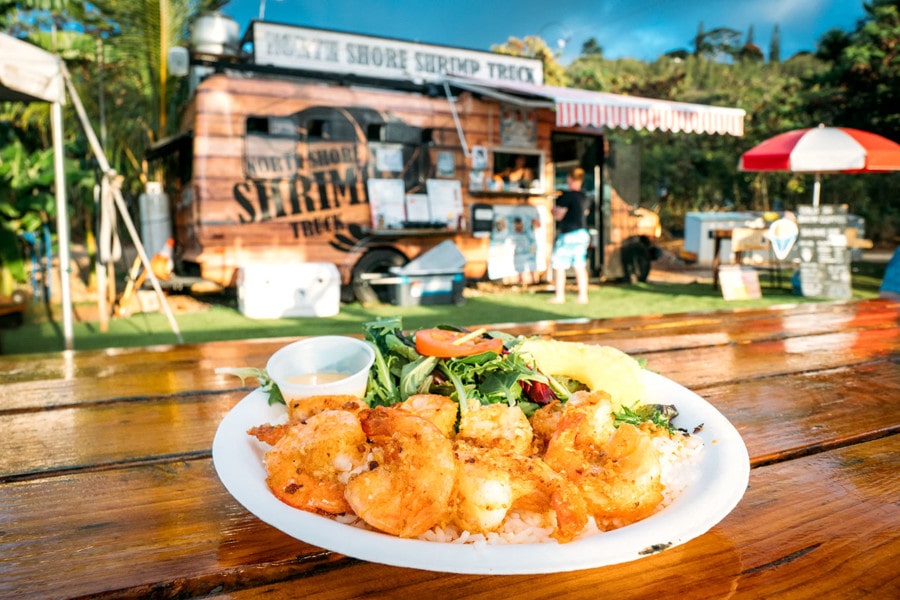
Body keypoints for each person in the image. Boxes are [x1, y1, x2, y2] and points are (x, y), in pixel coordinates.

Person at [549, 167, 591, 304]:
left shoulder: (566, 196)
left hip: (569, 234)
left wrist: (552, 211)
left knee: (559, 265)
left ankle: (559, 296)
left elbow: (560, 216)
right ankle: (583, 296)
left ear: (569, 179)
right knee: (579, 265)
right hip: (582, 234)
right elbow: (586, 213)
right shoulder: (585, 197)